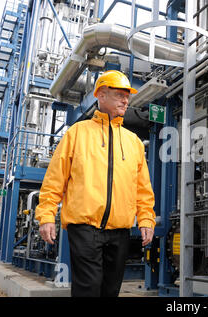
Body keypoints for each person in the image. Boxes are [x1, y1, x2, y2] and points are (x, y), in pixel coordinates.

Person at [35, 70, 156, 297]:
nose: (125, 100)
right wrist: (46, 216)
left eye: (127, 96)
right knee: (88, 288)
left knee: (110, 291)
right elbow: (55, 179)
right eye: (120, 94)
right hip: (84, 227)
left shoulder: (134, 143)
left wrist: (146, 218)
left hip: (119, 231)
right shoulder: (76, 134)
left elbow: (142, 189)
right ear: (101, 95)